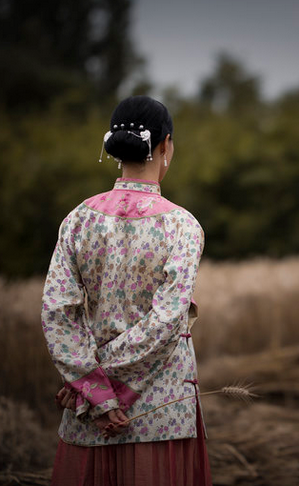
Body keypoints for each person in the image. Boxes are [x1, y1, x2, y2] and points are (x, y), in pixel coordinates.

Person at [41, 96, 212, 485]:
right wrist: (104, 386)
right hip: (160, 410)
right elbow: (167, 320)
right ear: (165, 145)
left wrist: (91, 386)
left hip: (87, 408)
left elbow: (57, 312)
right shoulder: (183, 227)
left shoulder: (77, 220)